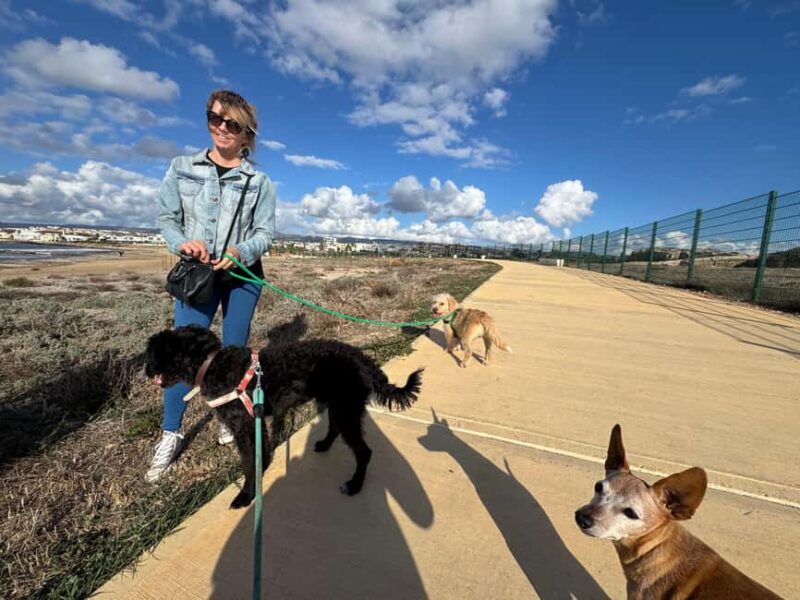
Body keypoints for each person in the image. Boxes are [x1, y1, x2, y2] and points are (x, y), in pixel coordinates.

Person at [148, 89, 276, 482]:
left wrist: (240, 250)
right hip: (197, 276)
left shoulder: (260, 181)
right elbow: (167, 217)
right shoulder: (181, 166)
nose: (221, 127)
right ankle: (171, 433)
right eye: (214, 118)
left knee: (234, 355)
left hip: (242, 275)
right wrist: (180, 242)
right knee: (180, 357)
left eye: (231, 123)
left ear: (246, 134)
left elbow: (265, 233)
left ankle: (228, 416)